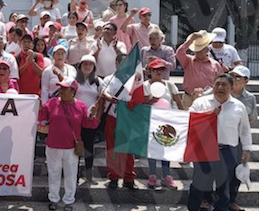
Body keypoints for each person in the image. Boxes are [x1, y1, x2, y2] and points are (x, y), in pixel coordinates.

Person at [184, 74, 252, 211]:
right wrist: (208, 115)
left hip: (227, 150)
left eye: (224, 85)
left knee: (224, 186)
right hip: (204, 149)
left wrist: (247, 149)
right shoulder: (201, 103)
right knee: (199, 184)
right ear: (213, 86)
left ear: (232, 87)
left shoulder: (238, 106)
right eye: (217, 84)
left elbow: (245, 130)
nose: (220, 88)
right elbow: (189, 121)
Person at [39, 77, 90, 211]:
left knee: (70, 174)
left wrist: (95, 114)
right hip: (53, 145)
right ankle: (53, 199)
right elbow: (41, 117)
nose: (60, 90)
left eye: (64, 88)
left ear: (73, 91)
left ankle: (69, 200)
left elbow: (87, 124)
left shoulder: (81, 106)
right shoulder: (52, 103)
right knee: (53, 172)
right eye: (60, 87)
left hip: (71, 147)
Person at [145, 59, 183, 191]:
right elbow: (141, 105)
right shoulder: (145, 86)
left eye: (161, 69)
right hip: (151, 122)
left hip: (168, 122)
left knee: (166, 148)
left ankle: (166, 176)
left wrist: (184, 117)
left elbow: (178, 102)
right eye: (155, 70)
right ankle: (153, 175)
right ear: (149, 71)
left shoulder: (170, 85)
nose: (158, 72)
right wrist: (151, 100)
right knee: (152, 149)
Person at [101, 53, 138, 190]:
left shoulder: (135, 80)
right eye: (121, 64)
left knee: (129, 149)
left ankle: (129, 177)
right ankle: (113, 176)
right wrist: (110, 98)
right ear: (116, 64)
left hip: (128, 119)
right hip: (112, 118)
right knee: (112, 148)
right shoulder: (109, 79)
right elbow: (104, 92)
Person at [228, 65, 258, 211]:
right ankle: (208, 198)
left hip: (239, 137)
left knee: (237, 170)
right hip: (221, 136)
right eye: (232, 75)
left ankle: (231, 200)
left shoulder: (250, 98)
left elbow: (252, 118)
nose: (233, 79)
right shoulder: (222, 91)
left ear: (246, 80)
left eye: (237, 77)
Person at [176, 30, 224, 108]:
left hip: (207, 97)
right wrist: (190, 41)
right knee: (187, 119)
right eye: (196, 50)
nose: (198, 52)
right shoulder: (188, 60)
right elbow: (179, 53)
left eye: (201, 50)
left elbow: (220, 81)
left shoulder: (215, 65)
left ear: (207, 50)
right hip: (189, 97)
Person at [74, 55, 103, 183]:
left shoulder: (98, 81)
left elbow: (101, 100)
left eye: (90, 64)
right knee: (75, 146)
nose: (87, 66)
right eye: (84, 64)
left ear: (94, 67)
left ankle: (89, 173)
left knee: (89, 147)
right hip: (75, 118)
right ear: (80, 66)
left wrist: (98, 117)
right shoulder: (74, 80)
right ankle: (74, 173)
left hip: (90, 119)